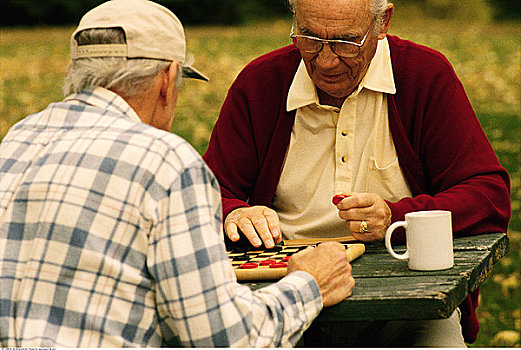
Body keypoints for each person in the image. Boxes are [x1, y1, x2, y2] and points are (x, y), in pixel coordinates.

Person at [0, 0, 356, 347]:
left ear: (73, 74)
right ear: (167, 80)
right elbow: (227, 339)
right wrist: (309, 284)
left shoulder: (16, 141)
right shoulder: (165, 162)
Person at [202, 0, 511, 346]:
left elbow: (488, 194)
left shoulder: (423, 75)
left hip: (407, 303)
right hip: (286, 296)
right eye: (309, 38)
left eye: (345, 42)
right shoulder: (261, 82)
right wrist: (235, 212)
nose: (325, 60)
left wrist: (395, 218)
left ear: (382, 24)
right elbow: (204, 196)